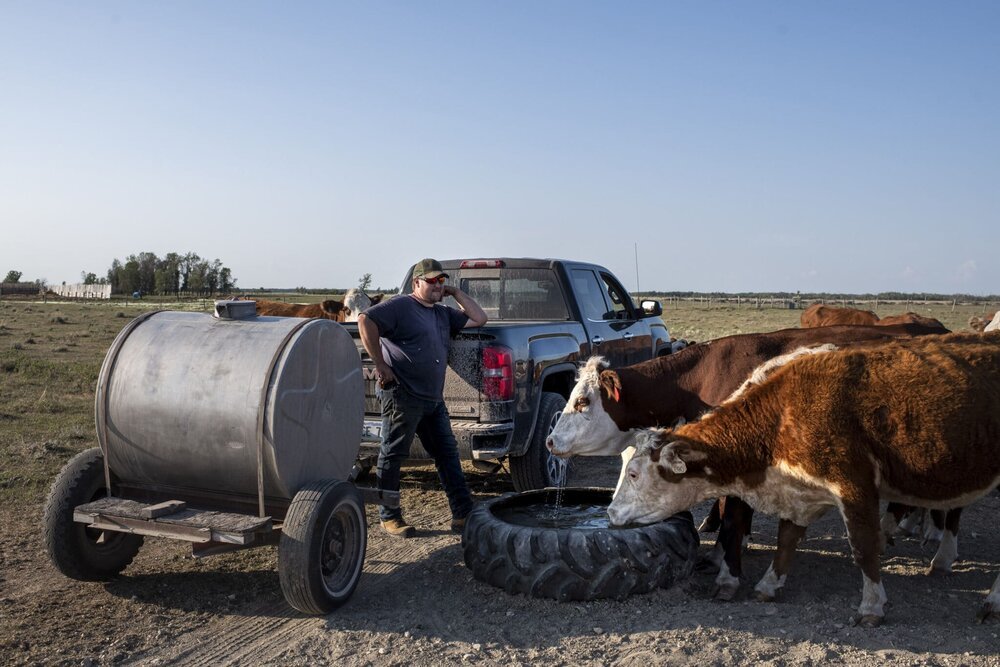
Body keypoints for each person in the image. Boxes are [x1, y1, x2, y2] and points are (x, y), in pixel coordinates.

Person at [357, 258, 489, 538]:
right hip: (403, 394)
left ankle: (463, 513)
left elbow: (480, 318)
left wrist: (455, 293)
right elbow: (364, 319)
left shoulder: (442, 313)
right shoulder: (401, 306)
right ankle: (389, 515)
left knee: (447, 454)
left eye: (441, 281)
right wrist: (380, 364)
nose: (438, 286)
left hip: (432, 399)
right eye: (432, 281)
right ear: (416, 283)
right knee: (393, 454)